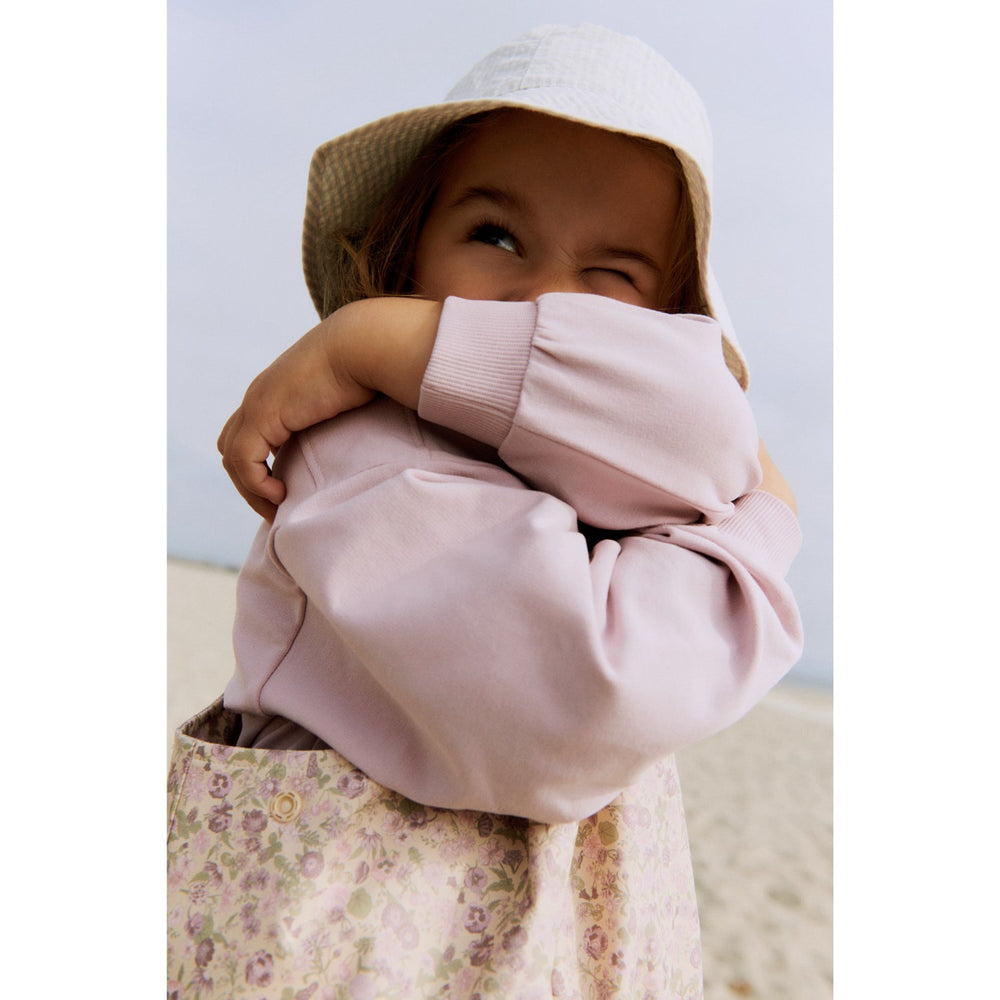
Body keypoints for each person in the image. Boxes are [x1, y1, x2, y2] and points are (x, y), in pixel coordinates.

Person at [168, 24, 803, 999]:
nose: (544, 302)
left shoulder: (621, 487)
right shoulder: (361, 453)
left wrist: (387, 339)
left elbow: (705, 428)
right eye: (495, 236)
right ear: (404, 252)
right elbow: (591, 693)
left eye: (612, 279)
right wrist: (765, 518)